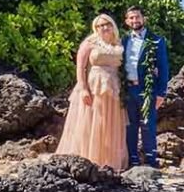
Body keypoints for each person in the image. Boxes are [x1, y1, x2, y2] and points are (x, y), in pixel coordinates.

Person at [54, 15, 130, 170]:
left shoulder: (119, 44)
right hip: (94, 86)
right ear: (96, 28)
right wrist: (83, 89)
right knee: (93, 122)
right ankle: (89, 159)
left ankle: (109, 162)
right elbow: (80, 67)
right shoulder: (90, 43)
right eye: (100, 25)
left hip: (114, 88)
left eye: (107, 24)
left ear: (112, 25)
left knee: (110, 124)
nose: (104, 27)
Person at [122, 6, 170, 168]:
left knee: (148, 124)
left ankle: (151, 159)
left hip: (147, 89)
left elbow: (163, 68)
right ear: (127, 21)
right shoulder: (123, 41)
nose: (135, 20)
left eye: (137, 17)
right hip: (128, 89)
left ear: (144, 19)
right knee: (130, 125)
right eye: (131, 18)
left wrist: (161, 93)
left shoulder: (156, 41)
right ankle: (132, 158)